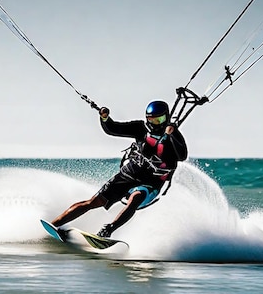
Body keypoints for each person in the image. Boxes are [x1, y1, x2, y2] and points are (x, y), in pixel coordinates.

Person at [50, 100, 188, 238]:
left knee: (136, 198)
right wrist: (104, 118)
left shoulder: (173, 134)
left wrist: (172, 134)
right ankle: (54, 225)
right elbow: (113, 128)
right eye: (152, 119)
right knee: (93, 202)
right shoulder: (140, 128)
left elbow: (182, 156)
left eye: (159, 120)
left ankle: (108, 230)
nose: (155, 123)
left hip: (151, 182)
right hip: (128, 174)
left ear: (166, 117)